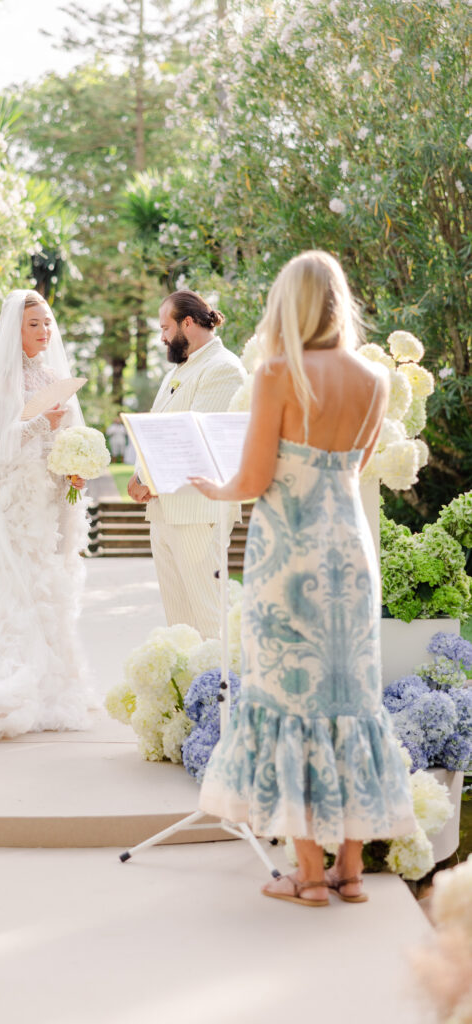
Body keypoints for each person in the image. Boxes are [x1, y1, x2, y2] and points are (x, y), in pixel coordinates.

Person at [189, 252, 416, 907]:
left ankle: (307, 874)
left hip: (285, 556)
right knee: (347, 699)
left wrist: (214, 486)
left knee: (289, 698)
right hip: (347, 551)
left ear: (288, 304)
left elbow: (255, 478)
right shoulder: (373, 381)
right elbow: (352, 468)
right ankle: (349, 871)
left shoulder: (278, 374)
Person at [0, 290, 93, 743]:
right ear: (15, 330)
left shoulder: (52, 376)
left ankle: (54, 685)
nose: (45, 331)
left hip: (46, 502)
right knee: (15, 588)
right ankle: (13, 677)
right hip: (12, 504)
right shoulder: (1, 381)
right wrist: (38, 424)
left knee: (47, 589)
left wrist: (74, 472)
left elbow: (62, 441)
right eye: (35, 324)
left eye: (47, 322)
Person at [127, 290, 246, 639]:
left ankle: (223, 691)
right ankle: (189, 692)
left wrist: (148, 479)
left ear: (188, 323)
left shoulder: (223, 369)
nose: (162, 336)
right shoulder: (179, 371)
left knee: (210, 618)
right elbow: (154, 428)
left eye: (166, 327)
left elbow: (195, 439)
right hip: (165, 510)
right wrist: (138, 475)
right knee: (180, 624)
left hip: (198, 511)